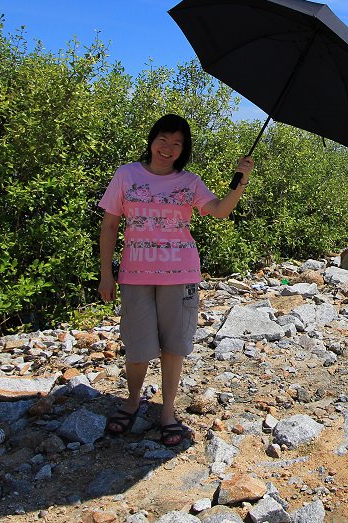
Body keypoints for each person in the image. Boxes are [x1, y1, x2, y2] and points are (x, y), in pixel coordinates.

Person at [98, 114, 253, 446]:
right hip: (135, 274)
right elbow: (110, 225)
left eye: (176, 144)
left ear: (184, 150)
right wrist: (105, 275)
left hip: (180, 273)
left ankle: (168, 412)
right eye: (163, 140)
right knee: (138, 348)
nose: (167, 148)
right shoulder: (127, 174)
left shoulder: (190, 182)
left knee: (173, 347)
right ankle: (132, 400)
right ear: (152, 140)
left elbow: (220, 210)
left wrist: (240, 181)